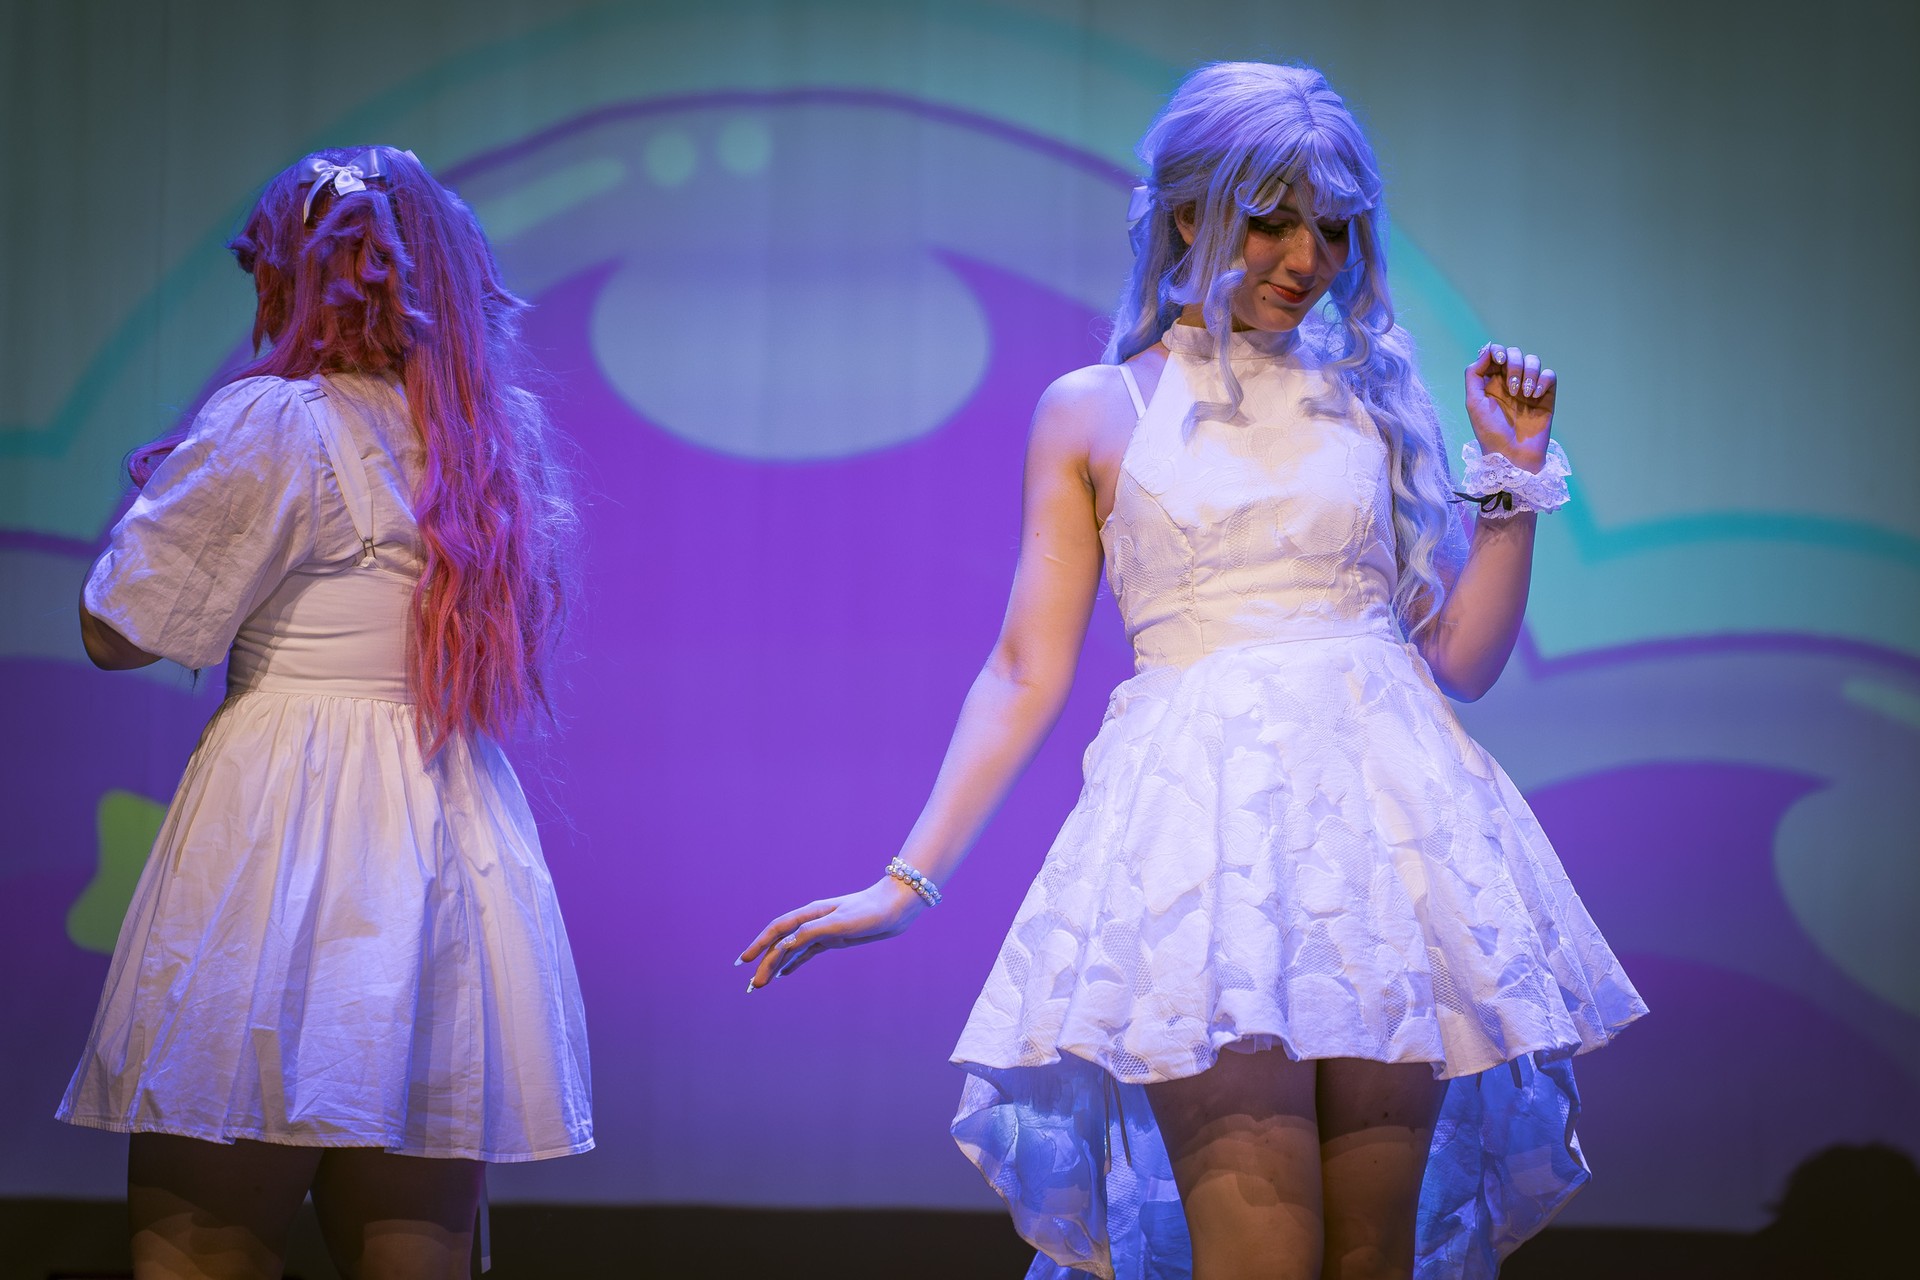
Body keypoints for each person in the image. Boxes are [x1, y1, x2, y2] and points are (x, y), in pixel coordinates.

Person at [739, 63, 1645, 1280]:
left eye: (1334, 228)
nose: (1307, 259)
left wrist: (1511, 486)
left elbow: (1462, 663)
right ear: (1186, 213)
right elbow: (1021, 670)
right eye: (1272, 221)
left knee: (1373, 1258)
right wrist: (905, 882)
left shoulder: (1371, 397)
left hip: (1387, 841)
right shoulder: (1096, 408)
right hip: (1205, 849)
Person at [58, 147, 593, 1280]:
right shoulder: (494, 441)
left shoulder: (276, 421)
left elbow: (120, 629)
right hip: (445, 834)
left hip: (284, 837)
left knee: (203, 1244)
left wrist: (170, 492)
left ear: (298, 277)